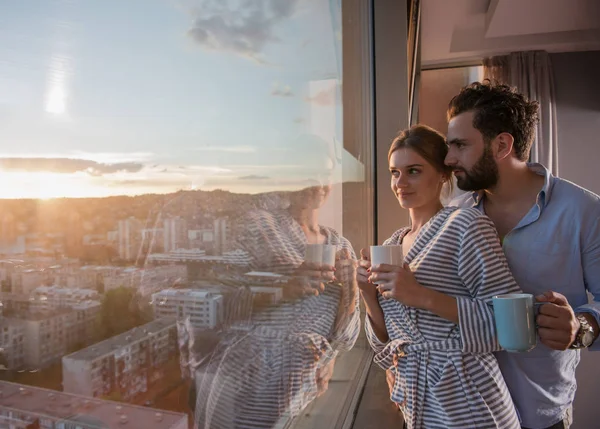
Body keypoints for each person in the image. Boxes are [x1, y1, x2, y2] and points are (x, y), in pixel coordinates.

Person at [445, 81, 600, 429]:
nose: (448, 159)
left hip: (540, 413)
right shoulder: (452, 214)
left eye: (459, 145)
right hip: (463, 412)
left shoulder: (585, 211)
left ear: (501, 144)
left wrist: (582, 327)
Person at [182, 134, 360, 429]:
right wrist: (281, 290)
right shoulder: (259, 224)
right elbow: (206, 302)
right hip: (251, 382)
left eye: (324, 171)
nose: (315, 179)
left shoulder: (341, 245)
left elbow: (343, 339)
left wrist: (351, 290)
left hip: (308, 388)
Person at [359, 124, 521, 429]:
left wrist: (420, 295)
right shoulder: (392, 245)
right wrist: (368, 295)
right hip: (416, 403)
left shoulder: (466, 225)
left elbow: (508, 325)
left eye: (414, 171)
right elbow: (387, 350)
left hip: (468, 399)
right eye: (395, 172)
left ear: (443, 174)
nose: (401, 182)